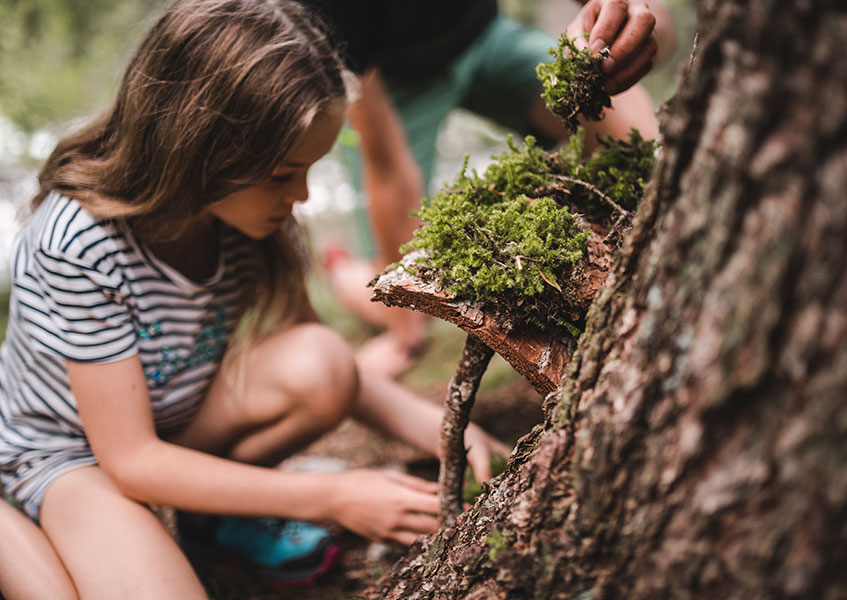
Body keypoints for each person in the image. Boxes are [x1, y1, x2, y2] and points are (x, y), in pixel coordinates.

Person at [0, 0, 507, 597]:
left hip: (174, 432)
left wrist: (451, 433)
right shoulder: (80, 240)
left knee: (318, 359)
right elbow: (130, 460)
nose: (302, 195)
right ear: (200, 148)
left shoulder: (243, 220)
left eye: (309, 169)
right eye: (283, 174)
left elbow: (337, 373)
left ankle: (204, 515)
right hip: (71, 458)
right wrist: (333, 497)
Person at [308, 0, 677, 377]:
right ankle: (340, 268)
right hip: (391, 81)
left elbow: (654, 23)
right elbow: (386, 163)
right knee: (404, 296)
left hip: (484, 36)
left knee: (640, 157)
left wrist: (635, 25)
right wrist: (406, 337)